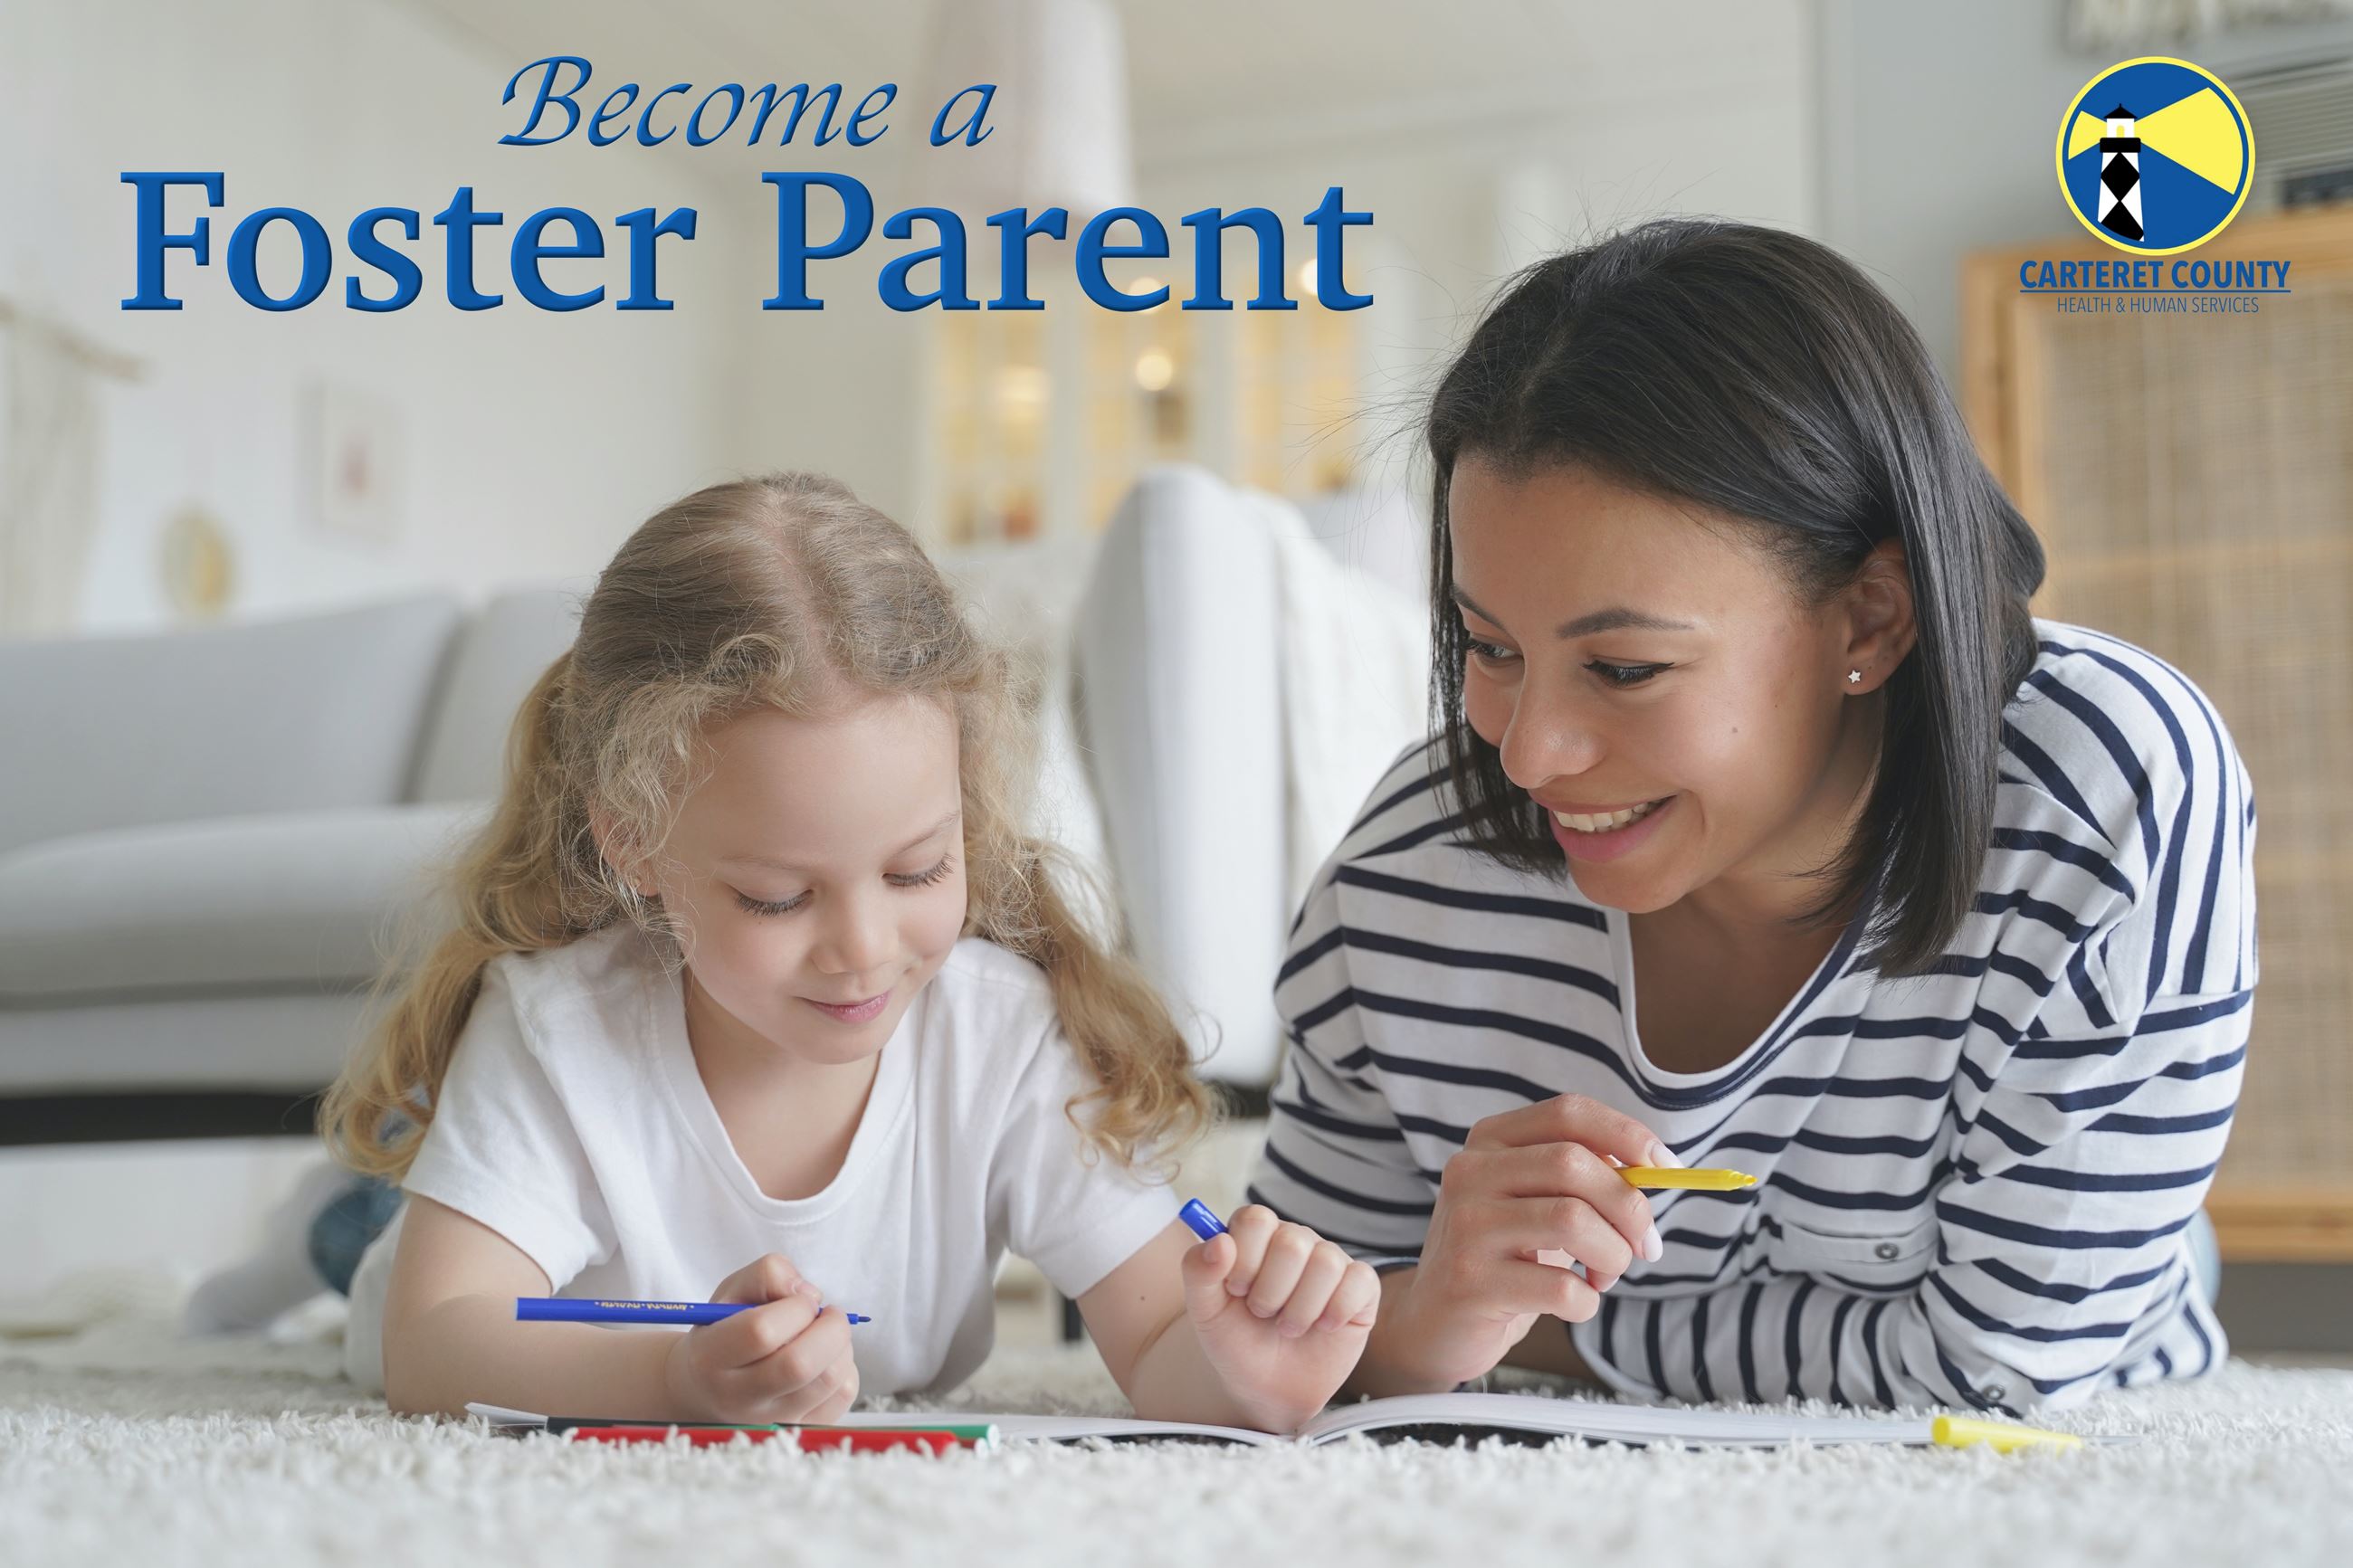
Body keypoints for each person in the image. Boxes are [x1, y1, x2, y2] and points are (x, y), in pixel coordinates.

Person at [1249, 219, 2250, 1415]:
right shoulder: (1404, 883)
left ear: (1870, 620)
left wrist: (1531, 1334)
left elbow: (1997, 1370)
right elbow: (1278, 1342)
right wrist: (1423, 1321)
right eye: (1490, 645)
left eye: (1623, 668)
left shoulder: (2105, 798)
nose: (1528, 751)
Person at [272, 472, 1373, 1431]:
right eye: (778, 895)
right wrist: (674, 1376)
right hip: (436, 1270)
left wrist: (1248, 1365)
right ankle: (333, 1222)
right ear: (633, 842)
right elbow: (430, 1344)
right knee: (357, 1241)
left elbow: (1165, 1343)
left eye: (915, 872)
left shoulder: (999, 1034)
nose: (862, 950)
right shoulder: (559, 1026)